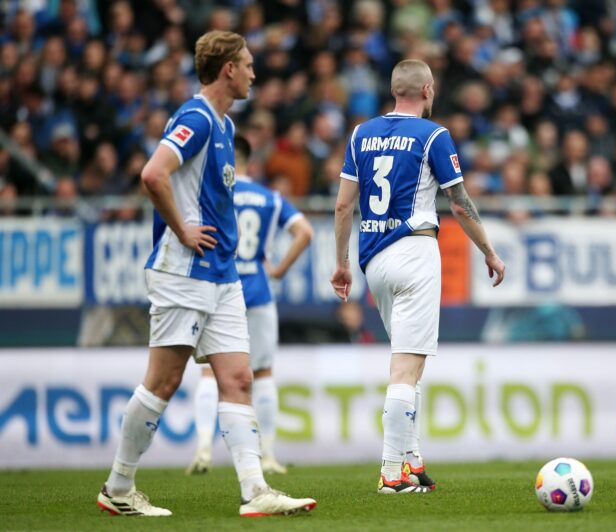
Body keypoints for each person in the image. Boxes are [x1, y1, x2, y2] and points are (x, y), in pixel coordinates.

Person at [95, 31, 316, 518]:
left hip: (223, 275)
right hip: (185, 272)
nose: (255, 73)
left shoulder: (225, 125)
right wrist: (183, 228)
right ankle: (118, 487)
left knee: (238, 378)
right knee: (163, 381)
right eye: (249, 64)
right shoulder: (195, 118)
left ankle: (255, 490)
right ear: (228, 70)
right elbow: (153, 174)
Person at [330, 59, 506, 494]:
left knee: (409, 361)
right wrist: (489, 251)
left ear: (394, 91)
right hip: (414, 251)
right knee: (406, 369)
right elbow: (460, 204)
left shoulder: (360, 134)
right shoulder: (434, 135)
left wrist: (341, 262)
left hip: (373, 259)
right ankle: (391, 472)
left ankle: (412, 462)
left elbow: (342, 205)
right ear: (428, 90)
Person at [187, 134, 314, 476]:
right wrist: (279, 270)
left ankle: (202, 448)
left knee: (208, 371)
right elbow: (305, 232)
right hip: (258, 290)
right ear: (250, 162)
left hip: (220, 289)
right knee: (263, 372)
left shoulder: (215, 194)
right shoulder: (269, 197)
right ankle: (269, 455)